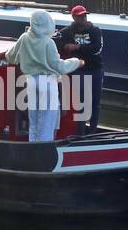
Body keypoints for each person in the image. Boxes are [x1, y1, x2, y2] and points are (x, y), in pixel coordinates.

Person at [5, 9, 83, 142]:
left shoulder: (24, 38)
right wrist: (77, 62)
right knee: (46, 124)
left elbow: (10, 57)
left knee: (34, 123)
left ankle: (33, 153)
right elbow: (59, 66)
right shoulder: (48, 42)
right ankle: (43, 156)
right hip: (47, 84)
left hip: (31, 82)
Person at [55, 5, 103, 133]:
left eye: (84, 15)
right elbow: (55, 41)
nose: (83, 18)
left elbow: (96, 48)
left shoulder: (95, 31)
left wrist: (77, 48)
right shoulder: (67, 32)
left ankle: (92, 132)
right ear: (74, 17)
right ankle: (80, 133)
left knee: (95, 103)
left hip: (95, 69)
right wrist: (65, 46)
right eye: (80, 16)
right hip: (79, 70)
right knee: (81, 103)